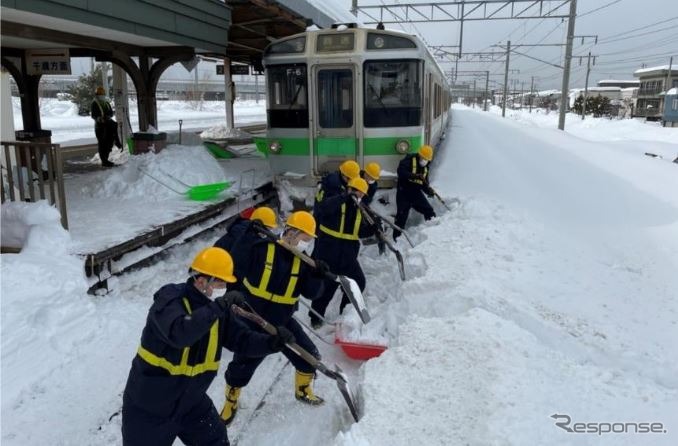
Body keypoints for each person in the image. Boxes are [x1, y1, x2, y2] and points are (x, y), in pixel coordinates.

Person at [121, 247, 294, 446]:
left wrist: (272, 343)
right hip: (150, 407)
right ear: (201, 280)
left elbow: (242, 340)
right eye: (220, 282)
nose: (224, 288)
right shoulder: (170, 300)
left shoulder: (218, 312)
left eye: (226, 283)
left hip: (191, 403)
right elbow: (180, 333)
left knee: (217, 442)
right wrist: (219, 306)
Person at [220, 211, 327, 425]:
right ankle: (231, 400)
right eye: (304, 239)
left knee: (309, 356)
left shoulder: (304, 263)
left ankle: (303, 390)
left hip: (283, 320)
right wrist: (246, 236)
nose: (306, 244)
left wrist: (317, 275)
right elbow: (236, 262)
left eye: (309, 241)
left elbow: (312, 294)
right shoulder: (262, 248)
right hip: (253, 317)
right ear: (291, 232)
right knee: (242, 365)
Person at [310, 177, 375, 328]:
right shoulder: (335, 201)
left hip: (348, 254)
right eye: (357, 193)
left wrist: (372, 229)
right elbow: (323, 209)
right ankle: (316, 316)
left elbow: (357, 232)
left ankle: (345, 310)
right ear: (349, 189)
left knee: (358, 282)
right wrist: (344, 197)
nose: (359, 197)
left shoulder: (359, 208)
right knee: (327, 286)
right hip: (328, 251)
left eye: (361, 195)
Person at [214, 206, 279, 286]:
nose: (269, 232)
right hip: (217, 269)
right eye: (269, 228)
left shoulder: (245, 229)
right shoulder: (245, 235)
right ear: (261, 226)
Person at [393, 145, 436, 241]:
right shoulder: (409, 160)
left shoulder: (425, 168)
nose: (424, 160)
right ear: (419, 155)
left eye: (427, 159)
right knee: (401, 217)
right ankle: (397, 239)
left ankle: (432, 233)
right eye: (423, 158)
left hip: (416, 193)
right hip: (403, 192)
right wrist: (415, 176)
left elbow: (424, 183)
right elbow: (401, 172)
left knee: (429, 210)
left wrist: (429, 190)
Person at [91, 86, 121, 167]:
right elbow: (93, 115)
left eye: (102, 94)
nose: (101, 96)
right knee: (102, 144)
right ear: (96, 95)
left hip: (108, 126)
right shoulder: (95, 103)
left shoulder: (106, 103)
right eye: (99, 94)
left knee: (109, 143)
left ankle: (106, 158)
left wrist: (108, 116)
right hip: (100, 127)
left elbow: (111, 113)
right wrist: (99, 119)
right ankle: (104, 161)